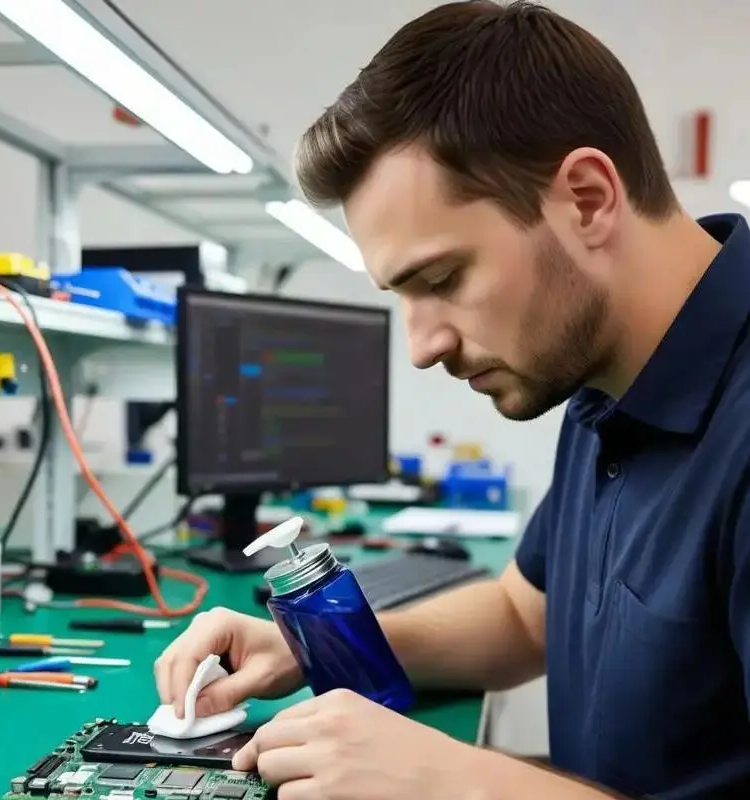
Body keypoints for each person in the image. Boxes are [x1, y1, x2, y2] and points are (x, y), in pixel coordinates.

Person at [155, 1, 750, 798]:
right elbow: (524, 616)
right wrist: (320, 646)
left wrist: (456, 783)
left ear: (586, 197)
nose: (423, 346)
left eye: (441, 280)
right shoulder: (603, 378)